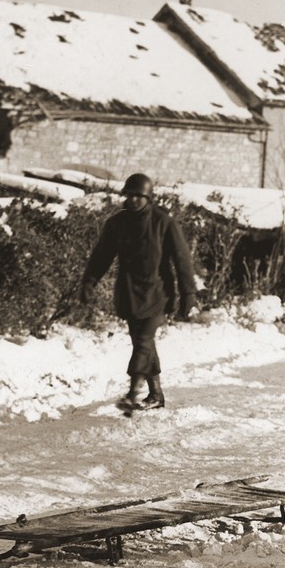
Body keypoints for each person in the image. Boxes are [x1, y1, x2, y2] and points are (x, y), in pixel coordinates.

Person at [80, 172, 197, 410]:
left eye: (139, 196)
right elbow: (102, 255)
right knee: (142, 343)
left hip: (158, 292)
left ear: (148, 197)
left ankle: (133, 392)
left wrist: (189, 294)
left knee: (143, 341)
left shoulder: (164, 222)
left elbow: (182, 259)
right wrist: (89, 281)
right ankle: (156, 395)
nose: (133, 200)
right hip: (130, 293)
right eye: (129, 195)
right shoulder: (117, 223)